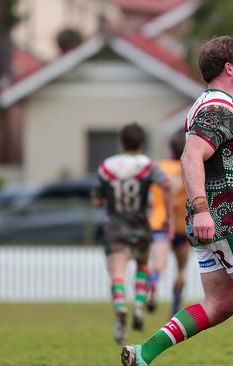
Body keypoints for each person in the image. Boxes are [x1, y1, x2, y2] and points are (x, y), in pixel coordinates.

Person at [121, 36, 233, 366]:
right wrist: (204, 209)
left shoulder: (216, 105)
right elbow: (191, 156)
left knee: (220, 303)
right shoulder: (217, 107)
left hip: (214, 219)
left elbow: (216, 158)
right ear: (228, 68)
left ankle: (142, 354)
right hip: (229, 218)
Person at [93, 123, 174, 345]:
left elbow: (97, 200)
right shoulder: (147, 165)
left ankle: (120, 307)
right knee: (142, 266)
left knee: (117, 273)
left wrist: (106, 200)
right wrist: (167, 214)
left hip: (114, 227)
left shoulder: (106, 166)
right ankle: (139, 305)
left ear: (121, 141)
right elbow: (166, 184)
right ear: (141, 142)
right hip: (140, 226)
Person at [146, 133, 191, 316]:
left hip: (159, 222)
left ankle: (152, 288)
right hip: (182, 225)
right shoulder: (188, 168)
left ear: (170, 149)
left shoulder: (158, 168)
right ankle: (175, 307)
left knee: (158, 264)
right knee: (181, 270)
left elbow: (149, 197)